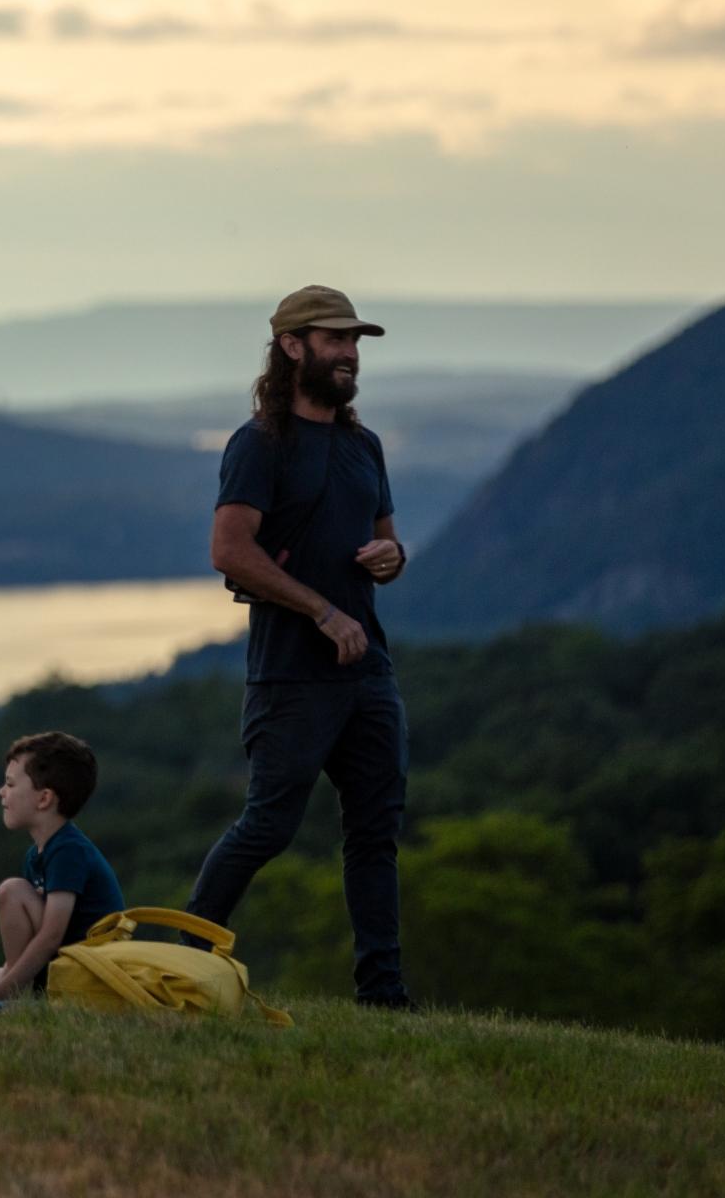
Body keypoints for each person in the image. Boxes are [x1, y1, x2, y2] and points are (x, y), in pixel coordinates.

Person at [185, 284, 413, 1008]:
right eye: (335, 340)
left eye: (355, 343)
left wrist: (390, 558)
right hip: (291, 675)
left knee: (375, 834)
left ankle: (383, 997)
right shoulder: (259, 444)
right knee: (267, 827)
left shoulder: (362, 444)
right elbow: (229, 549)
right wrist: (322, 612)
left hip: (366, 670)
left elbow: (385, 540)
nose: (349, 354)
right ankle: (183, 968)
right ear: (292, 347)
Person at [0, 731, 125, 1001]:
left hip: (88, 970)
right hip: (63, 961)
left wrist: (0, 991)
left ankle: (15, 996)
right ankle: (13, 988)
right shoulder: (38, 854)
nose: (1, 791)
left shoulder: (68, 850)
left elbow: (52, 935)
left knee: (10, 891)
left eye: (10, 784)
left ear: (44, 799)